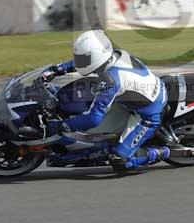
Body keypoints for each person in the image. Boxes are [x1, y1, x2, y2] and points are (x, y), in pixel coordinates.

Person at [43, 30, 170, 171]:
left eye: (82, 58)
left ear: (97, 56)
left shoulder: (111, 80)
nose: (79, 61)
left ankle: (162, 152)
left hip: (147, 114)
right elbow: (85, 63)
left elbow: (93, 119)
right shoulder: (115, 54)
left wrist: (62, 125)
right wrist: (57, 69)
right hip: (131, 99)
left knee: (119, 160)